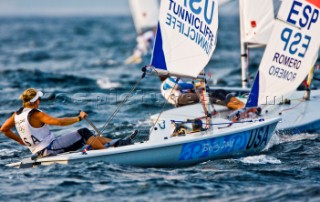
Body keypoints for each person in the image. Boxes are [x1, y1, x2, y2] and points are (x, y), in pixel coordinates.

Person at [0, 88, 136, 158]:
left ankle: (119, 143)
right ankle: (108, 153)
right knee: (83, 133)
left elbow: (4, 129)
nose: (40, 101)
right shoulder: (36, 114)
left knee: (91, 138)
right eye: (39, 99)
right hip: (49, 150)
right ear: (35, 101)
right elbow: (58, 122)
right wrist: (78, 118)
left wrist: (20, 141)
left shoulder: (16, 115)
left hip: (41, 150)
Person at [160, 76, 244, 109]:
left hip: (187, 96)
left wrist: (199, 87)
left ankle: (240, 104)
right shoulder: (167, 81)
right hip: (181, 100)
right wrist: (197, 84)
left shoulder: (174, 79)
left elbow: (186, 87)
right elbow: (181, 86)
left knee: (220, 92)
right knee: (206, 98)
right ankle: (236, 107)